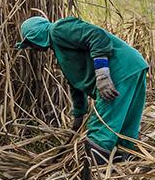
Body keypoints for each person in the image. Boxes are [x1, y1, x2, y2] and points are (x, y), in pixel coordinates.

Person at [16, 15, 148, 166]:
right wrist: (79, 116)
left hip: (118, 70)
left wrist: (102, 74)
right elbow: (76, 85)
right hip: (134, 66)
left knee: (101, 128)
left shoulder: (58, 29)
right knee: (125, 124)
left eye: (30, 43)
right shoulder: (61, 50)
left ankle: (89, 178)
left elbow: (97, 36)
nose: (32, 48)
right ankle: (122, 171)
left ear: (35, 35)